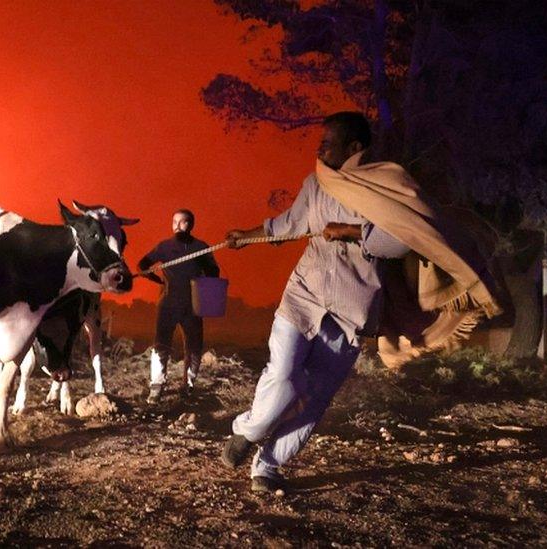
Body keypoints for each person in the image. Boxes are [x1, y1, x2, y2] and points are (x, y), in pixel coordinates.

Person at [221, 111, 500, 495]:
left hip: (353, 312)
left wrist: (353, 231)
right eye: (320, 143)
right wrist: (246, 236)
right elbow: (287, 225)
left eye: (327, 143)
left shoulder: (383, 186)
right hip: (304, 296)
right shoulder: (315, 184)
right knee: (283, 376)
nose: (319, 149)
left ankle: (267, 466)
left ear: (354, 148)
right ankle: (248, 429)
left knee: (313, 397)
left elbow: (403, 239)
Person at [138, 209, 220, 403]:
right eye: (174, 221)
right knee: (160, 345)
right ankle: (156, 388)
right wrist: (153, 276)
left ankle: (189, 387)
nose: (177, 225)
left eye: (183, 222)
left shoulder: (201, 247)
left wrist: (203, 266)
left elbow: (214, 272)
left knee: (194, 347)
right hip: (167, 302)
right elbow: (142, 264)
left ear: (191, 225)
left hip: (193, 304)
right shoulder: (164, 247)